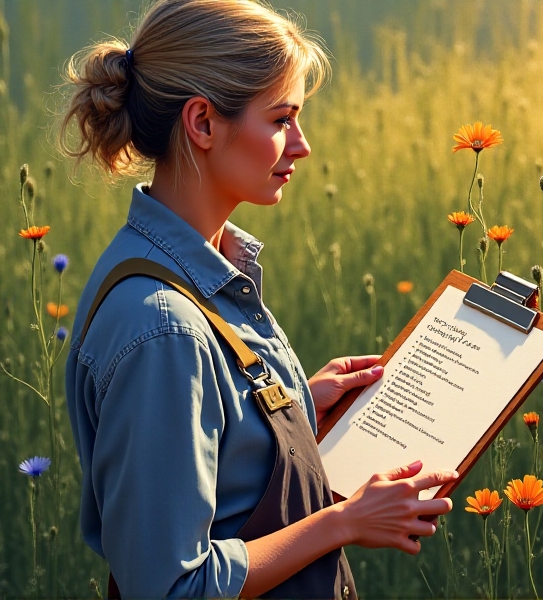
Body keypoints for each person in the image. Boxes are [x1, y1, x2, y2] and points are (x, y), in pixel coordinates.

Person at [59, 0, 457, 597]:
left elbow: (217, 472)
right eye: (280, 119)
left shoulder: (192, 266)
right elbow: (170, 587)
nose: (301, 146)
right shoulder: (164, 329)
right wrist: (343, 522)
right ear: (203, 124)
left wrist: (288, 408)